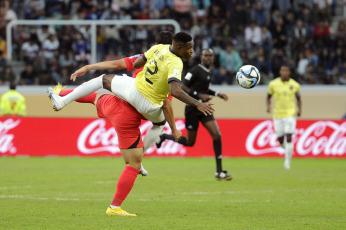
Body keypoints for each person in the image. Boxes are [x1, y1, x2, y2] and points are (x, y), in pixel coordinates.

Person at [52, 31, 181, 217]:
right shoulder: (168, 66)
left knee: (94, 96)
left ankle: (60, 94)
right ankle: (115, 207)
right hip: (129, 116)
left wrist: (88, 66)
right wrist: (174, 127)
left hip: (113, 103)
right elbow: (167, 102)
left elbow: (115, 64)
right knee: (135, 162)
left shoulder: (147, 55)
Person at [156, 48, 232, 181]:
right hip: (192, 109)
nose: (208, 57)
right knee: (190, 142)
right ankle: (164, 136)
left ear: (213, 58)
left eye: (210, 55)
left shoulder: (209, 71)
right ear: (201, 57)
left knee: (217, 135)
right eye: (205, 55)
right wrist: (198, 96)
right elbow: (183, 87)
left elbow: (204, 88)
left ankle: (219, 171)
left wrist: (217, 94)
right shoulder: (195, 70)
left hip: (204, 109)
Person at [266, 64, 302, 170]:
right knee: (280, 139)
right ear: (280, 72)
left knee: (289, 137)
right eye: (283, 70)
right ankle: (288, 150)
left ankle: (287, 163)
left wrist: (300, 110)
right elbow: (268, 97)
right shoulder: (273, 84)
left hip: (290, 114)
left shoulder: (295, 85)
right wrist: (268, 106)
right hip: (277, 115)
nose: (285, 72)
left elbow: (299, 99)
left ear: (289, 73)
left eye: (287, 71)